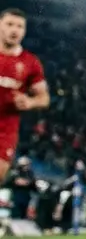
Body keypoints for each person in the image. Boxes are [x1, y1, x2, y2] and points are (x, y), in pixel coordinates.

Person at [0, 9, 48, 181]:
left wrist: (29, 102)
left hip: (5, 131)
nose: (15, 30)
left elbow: (44, 98)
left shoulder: (30, 62)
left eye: (20, 26)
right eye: (10, 24)